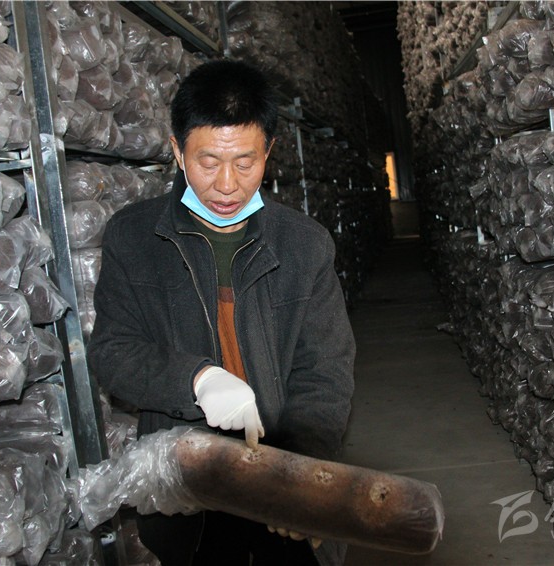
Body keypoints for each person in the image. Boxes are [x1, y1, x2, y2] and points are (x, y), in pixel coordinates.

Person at [88, 59, 355, 566]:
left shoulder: (304, 245)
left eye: (245, 162)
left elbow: (325, 372)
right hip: (191, 494)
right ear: (177, 151)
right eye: (208, 162)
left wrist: (300, 474)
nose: (228, 184)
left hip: (280, 477)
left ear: (269, 152)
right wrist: (197, 379)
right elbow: (113, 351)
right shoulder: (134, 237)